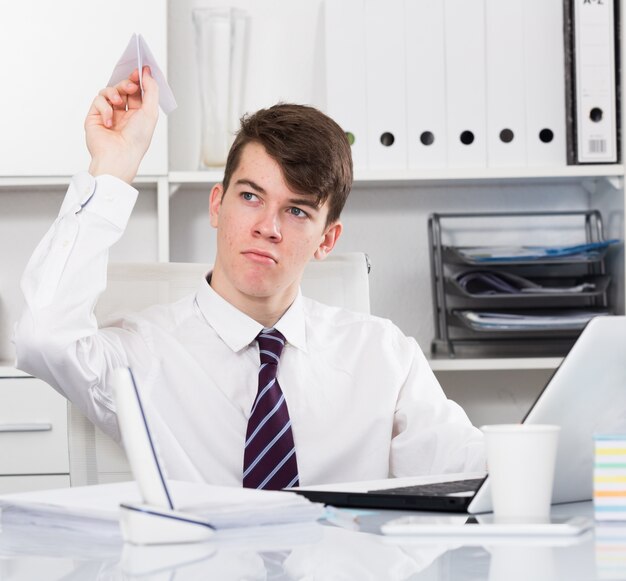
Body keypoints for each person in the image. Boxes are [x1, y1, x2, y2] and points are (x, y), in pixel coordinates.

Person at [14, 67, 484, 489]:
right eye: (251, 197)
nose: (268, 228)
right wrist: (113, 169)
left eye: (297, 210)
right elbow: (43, 340)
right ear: (217, 204)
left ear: (327, 239)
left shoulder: (384, 356)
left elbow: (467, 471)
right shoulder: (142, 356)